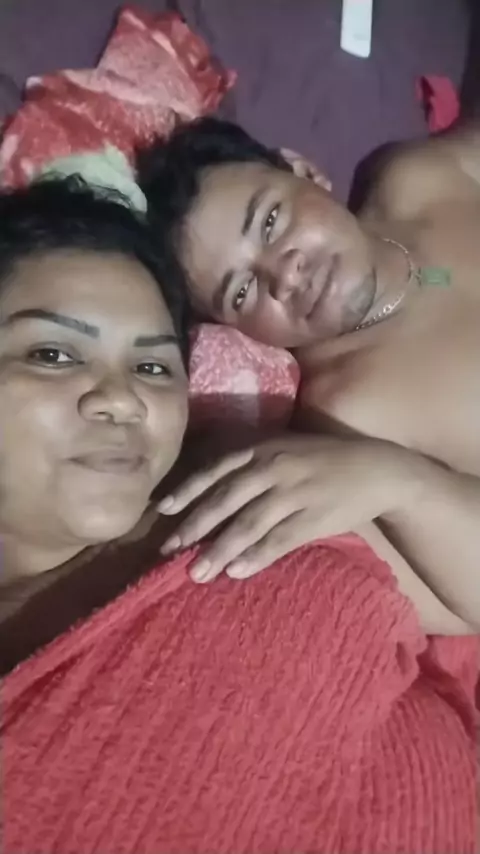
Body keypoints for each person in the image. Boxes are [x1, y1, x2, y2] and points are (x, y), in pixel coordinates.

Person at [0, 176, 477, 854]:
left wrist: (406, 484)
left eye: (154, 368)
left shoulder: (238, 487)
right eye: (52, 354)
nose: (123, 399)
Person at [136, 118, 480, 622]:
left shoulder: (417, 180)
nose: (284, 273)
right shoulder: (348, 421)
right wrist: (405, 483)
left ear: (305, 172)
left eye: (270, 222)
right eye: (241, 292)